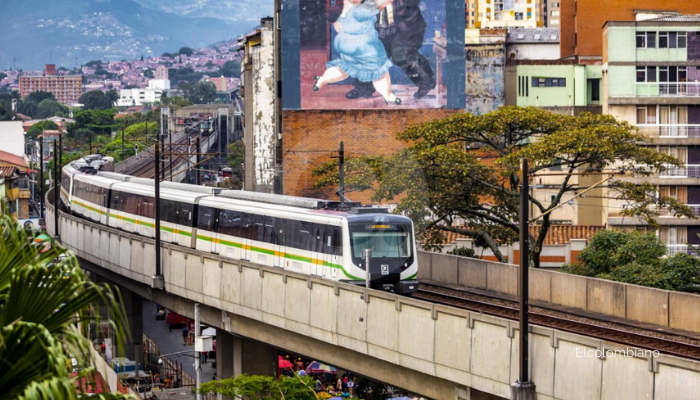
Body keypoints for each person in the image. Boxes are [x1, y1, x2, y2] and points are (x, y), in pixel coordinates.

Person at [314, 0, 401, 105]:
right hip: (364, 47)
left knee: (345, 68)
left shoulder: (339, 8)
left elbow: (338, 27)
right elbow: (381, 3)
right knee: (379, 71)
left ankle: (322, 79)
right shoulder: (360, 9)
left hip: (345, 45)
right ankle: (388, 96)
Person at [344, 0, 436, 100]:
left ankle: (426, 81)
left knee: (401, 54)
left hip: (406, 27)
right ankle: (362, 88)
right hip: (380, 29)